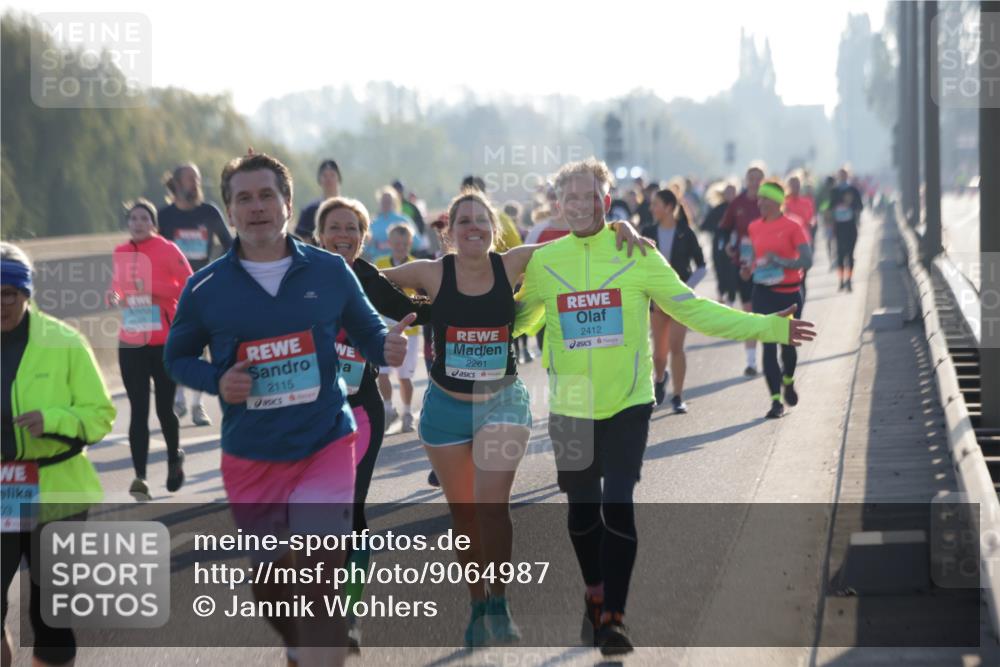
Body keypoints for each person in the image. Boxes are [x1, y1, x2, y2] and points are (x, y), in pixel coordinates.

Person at [514, 158, 816, 657]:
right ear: (558, 204)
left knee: (618, 506)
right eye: (569, 197)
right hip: (570, 404)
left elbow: (692, 308)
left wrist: (770, 326)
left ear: (605, 202)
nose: (579, 205)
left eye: (589, 197)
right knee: (581, 516)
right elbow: (518, 322)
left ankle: (614, 615)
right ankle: (593, 592)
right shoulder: (545, 264)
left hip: (630, 402)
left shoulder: (636, 253)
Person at [164, 152, 411, 667]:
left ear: (287, 203)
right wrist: (217, 379)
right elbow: (177, 358)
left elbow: (367, 331)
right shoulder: (205, 288)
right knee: (274, 588)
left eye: (266, 196)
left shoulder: (330, 269)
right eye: (243, 198)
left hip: (325, 441)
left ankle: (320, 648)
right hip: (252, 454)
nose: (256, 208)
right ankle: (302, 648)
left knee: (320, 576)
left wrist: (383, 348)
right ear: (229, 211)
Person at [379, 189, 646, 648]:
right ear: (449, 231)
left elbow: (582, 239)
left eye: (481, 220)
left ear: (494, 227)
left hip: (501, 401)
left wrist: (623, 227)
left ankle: (499, 603)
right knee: (463, 516)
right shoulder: (430, 272)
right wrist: (408, 313)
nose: (473, 228)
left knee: (490, 504)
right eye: (463, 221)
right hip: (443, 410)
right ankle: (478, 603)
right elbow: (370, 281)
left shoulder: (514, 262)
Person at [314, 197, 432, 652]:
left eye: (353, 229)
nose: (343, 235)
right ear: (320, 234)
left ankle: (347, 615)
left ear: (365, 238)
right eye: (335, 227)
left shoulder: (367, 277)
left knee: (350, 512)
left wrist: (471, 287)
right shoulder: (296, 275)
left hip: (360, 411)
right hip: (305, 419)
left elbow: (418, 312)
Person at [2, 242, 116, 667]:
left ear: (26, 293)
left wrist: (52, 419)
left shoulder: (65, 342)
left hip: (58, 491)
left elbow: (100, 415)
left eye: (9, 293)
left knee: (51, 617)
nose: (1, 303)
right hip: (2, 490)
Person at [109, 199, 192, 501]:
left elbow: (188, 285)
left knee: (164, 409)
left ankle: (173, 458)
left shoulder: (168, 249)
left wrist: (153, 288)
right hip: (132, 342)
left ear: (153, 223)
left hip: (164, 341)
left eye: (144, 218)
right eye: (133, 218)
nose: (138, 223)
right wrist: (114, 297)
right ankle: (140, 477)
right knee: (138, 410)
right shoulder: (120, 252)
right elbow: (115, 288)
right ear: (128, 223)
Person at [158, 162, 233, 426]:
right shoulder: (165, 216)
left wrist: (218, 268)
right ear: (177, 184)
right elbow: (153, 249)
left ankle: (197, 405)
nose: (196, 184)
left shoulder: (209, 212)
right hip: (174, 291)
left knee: (202, 345)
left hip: (205, 286)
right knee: (179, 344)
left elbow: (230, 244)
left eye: (198, 179)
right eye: (190, 179)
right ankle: (179, 398)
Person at [739, 181, 814, 419]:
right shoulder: (754, 227)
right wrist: (747, 269)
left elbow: (807, 260)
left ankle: (788, 381)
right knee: (768, 346)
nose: (759, 203)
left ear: (777, 202)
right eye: (758, 198)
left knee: (788, 346)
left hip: (789, 293)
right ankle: (775, 402)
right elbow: (754, 258)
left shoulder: (794, 226)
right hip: (762, 293)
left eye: (765, 199)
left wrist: (780, 261)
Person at [641, 188, 707, 413]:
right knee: (659, 354)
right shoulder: (647, 231)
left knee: (676, 347)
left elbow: (702, 266)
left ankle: (678, 396)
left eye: (655, 204)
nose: (652, 208)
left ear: (669, 207)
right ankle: (660, 378)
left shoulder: (685, 232)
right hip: (657, 303)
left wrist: (686, 289)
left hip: (679, 302)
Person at [374, 224, 422, 433]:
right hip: (383, 329)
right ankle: (387, 408)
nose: (400, 247)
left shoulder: (417, 266)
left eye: (404, 244)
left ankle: (407, 413)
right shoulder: (380, 264)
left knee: (404, 377)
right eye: (396, 243)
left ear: (409, 244)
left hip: (409, 331)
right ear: (389, 243)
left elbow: (423, 297)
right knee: (381, 373)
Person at [719, 164, 765, 376]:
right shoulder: (737, 203)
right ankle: (751, 362)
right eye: (751, 178)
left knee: (767, 312)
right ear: (746, 180)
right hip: (744, 264)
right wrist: (727, 245)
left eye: (758, 178)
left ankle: (772, 356)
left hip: (768, 266)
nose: (754, 182)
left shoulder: (769, 202)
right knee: (749, 312)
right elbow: (724, 229)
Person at [783, 174, 816, 305]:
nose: (795, 187)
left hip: (804, 241)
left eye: (797, 184)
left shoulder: (806, 202)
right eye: (793, 184)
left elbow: (811, 218)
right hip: (789, 243)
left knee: (804, 273)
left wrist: (810, 223)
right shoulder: (784, 203)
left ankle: (801, 299)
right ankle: (794, 298)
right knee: (793, 272)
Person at [829, 167, 864, 292]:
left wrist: (851, 204)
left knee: (850, 255)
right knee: (840, 255)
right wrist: (838, 207)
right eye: (841, 175)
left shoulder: (853, 190)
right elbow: (830, 207)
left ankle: (849, 280)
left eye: (845, 175)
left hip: (851, 226)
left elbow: (860, 206)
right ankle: (841, 280)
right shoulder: (835, 191)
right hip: (839, 227)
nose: (842, 177)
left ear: (848, 176)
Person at [365, 187, 423, 262]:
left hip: (401, 265)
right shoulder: (373, 224)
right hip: (379, 265)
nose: (386, 204)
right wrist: (375, 246)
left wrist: (399, 244)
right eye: (383, 201)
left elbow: (417, 243)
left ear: (394, 202)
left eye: (388, 201)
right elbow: (365, 248)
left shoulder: (403, 220)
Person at [706, 183, 738, 306]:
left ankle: (732, 299)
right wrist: (719, 227)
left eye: (733, 192)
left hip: (736, 246)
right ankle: (721, 296)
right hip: (719, 246)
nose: (730, 195)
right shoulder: (718, 209)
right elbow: (704, 225)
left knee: (733, 273)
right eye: (728, 192)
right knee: (720, 270)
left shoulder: (739, 207)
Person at [294, 159, 342, 241]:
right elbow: (301, 240)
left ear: (339, 179)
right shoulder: (310, 210)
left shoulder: (349, 209)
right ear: (319, 180)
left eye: (332, 175)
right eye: (325, 176)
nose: (328, 179)